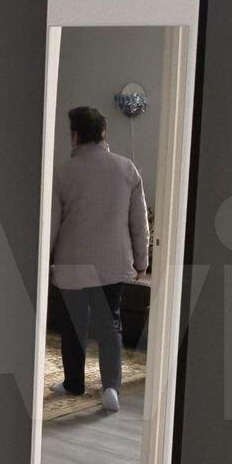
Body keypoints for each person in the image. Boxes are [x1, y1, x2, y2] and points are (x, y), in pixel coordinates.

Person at [50, 106, 150, 413]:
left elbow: (51, 223)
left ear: (75, 136)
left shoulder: (63, 173)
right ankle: (110, 388)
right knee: (110, 324)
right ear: (103, 134)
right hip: (113, 262)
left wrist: (44, 262)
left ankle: (74, 383)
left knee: (74, 324)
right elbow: (139, 222)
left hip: (72, 263)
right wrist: (142, 260)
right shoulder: (127, 169)